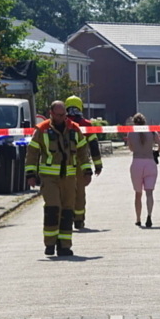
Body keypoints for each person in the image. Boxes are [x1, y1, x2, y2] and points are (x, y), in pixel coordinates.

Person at [25, 101, 92, 257]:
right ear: (51, 113)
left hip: (69, 178)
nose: (62, 118)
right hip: (49, 177)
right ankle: (50, 243)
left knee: (68, 210)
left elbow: (82, 151)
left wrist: (87, 171)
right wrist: (30, 175)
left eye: (64, 115)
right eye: (59, 115)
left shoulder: (74, 129)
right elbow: (32, 153)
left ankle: (64, 246)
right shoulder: (42, 130)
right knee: (53, 208)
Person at [65, 96, 102, 229]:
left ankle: (66, 219)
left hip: (63, 164)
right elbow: (93, 146)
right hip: (81, 164)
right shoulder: (86, 124)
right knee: (80, 193)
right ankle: (79, 220)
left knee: (65, 192)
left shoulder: (62, 122)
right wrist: (98, 165)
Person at [127, 113, 160, 227]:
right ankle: (149, 216)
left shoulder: (131, 132)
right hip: (150, 163)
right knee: (149, 193)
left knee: (138, 194)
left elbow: (131, 148)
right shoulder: (152, 131)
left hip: (137, 163)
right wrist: (155, 152)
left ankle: (138, 219)